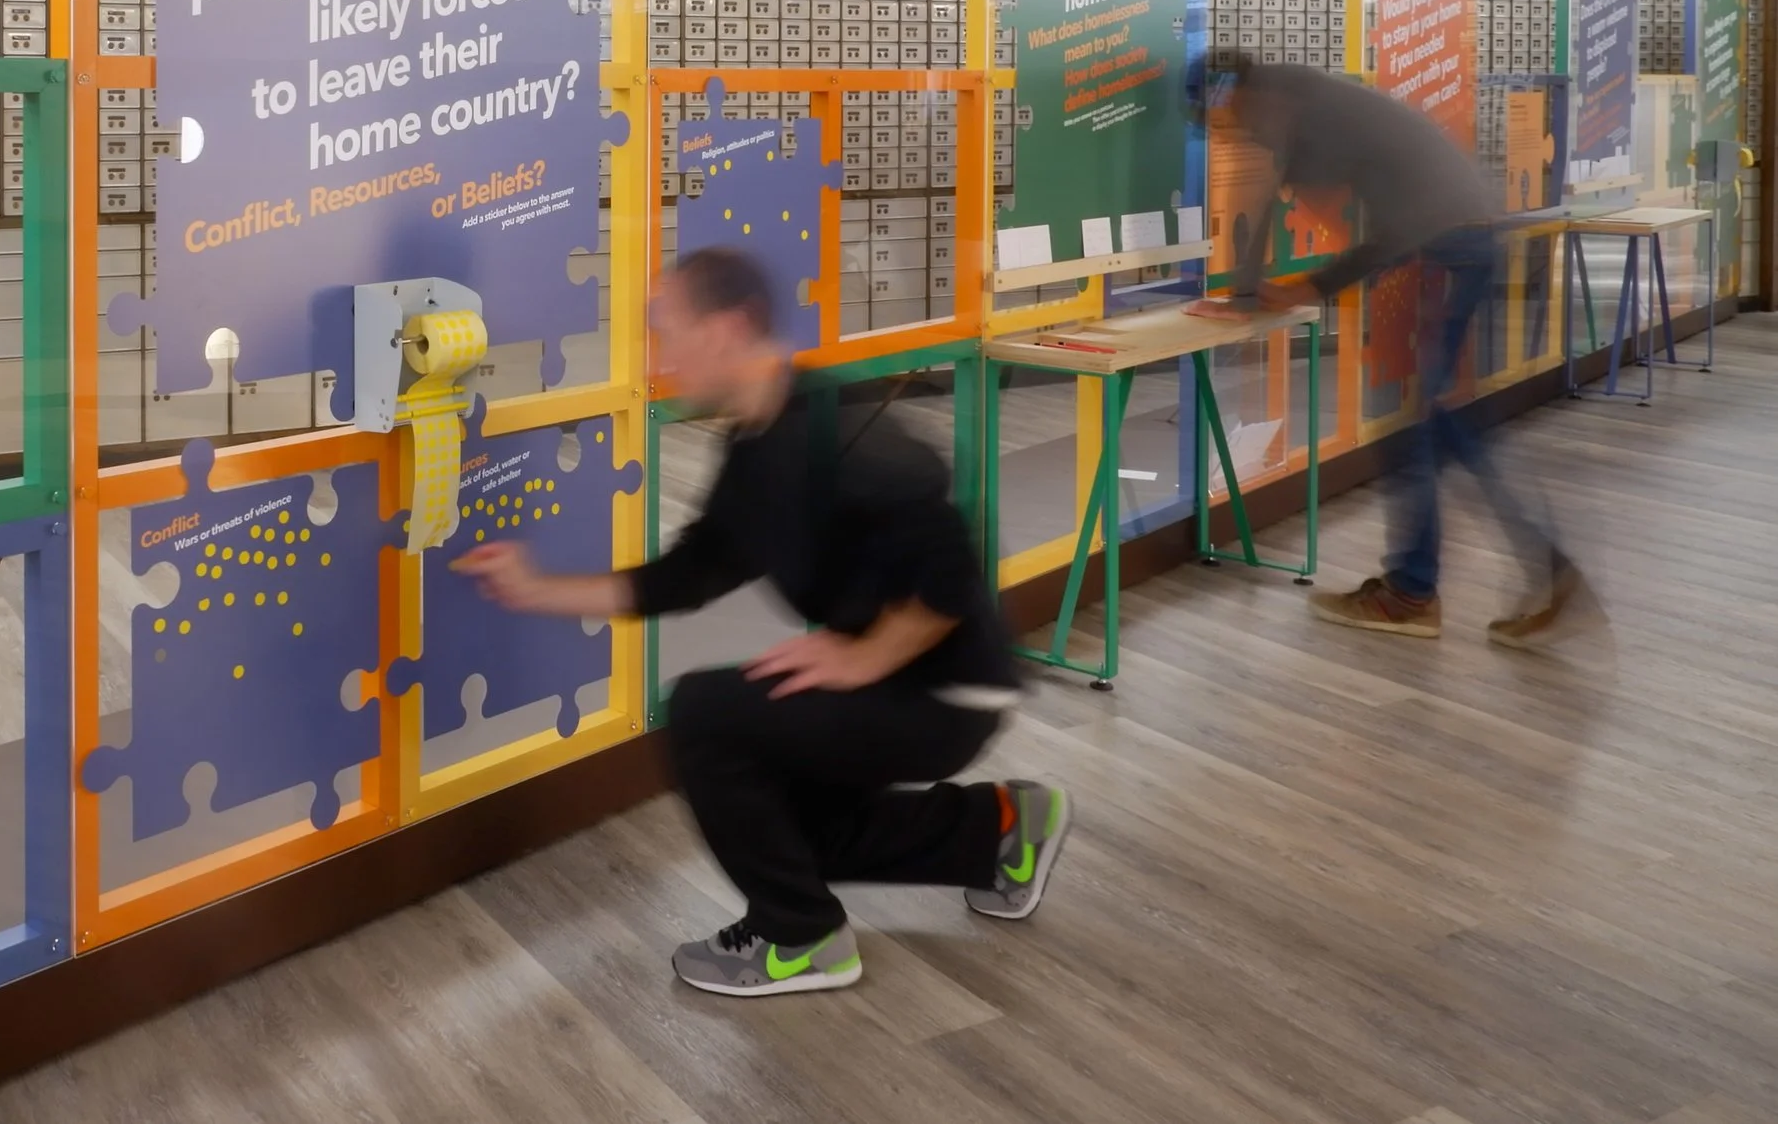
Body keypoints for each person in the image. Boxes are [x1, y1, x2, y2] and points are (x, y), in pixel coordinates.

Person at [452, 246, 1066, 999]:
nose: (656, 355)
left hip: (946, 691)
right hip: (911, 680)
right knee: (785, 828)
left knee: (706, 714)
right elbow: (688, 575)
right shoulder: (755, 443)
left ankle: (799, 937)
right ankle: (1001, 828)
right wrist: (535, 589)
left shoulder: (832, 425)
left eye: (666, 331)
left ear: (727, 328)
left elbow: (947, 561)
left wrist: (870, 655)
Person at [1186, 49, 1588, 645]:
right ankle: (1530, 567)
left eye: (1218, 119)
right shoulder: (1305, 99)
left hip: (1446, 248)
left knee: (1411, 429)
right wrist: (1250, 294)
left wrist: (1303, 287)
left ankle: (1411, 594)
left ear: (1230, 94)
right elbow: (1288, 203)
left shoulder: (1299, 113)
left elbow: (1381, 226)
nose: (1224, 132)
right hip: (1458, 241)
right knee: (1444, 426)